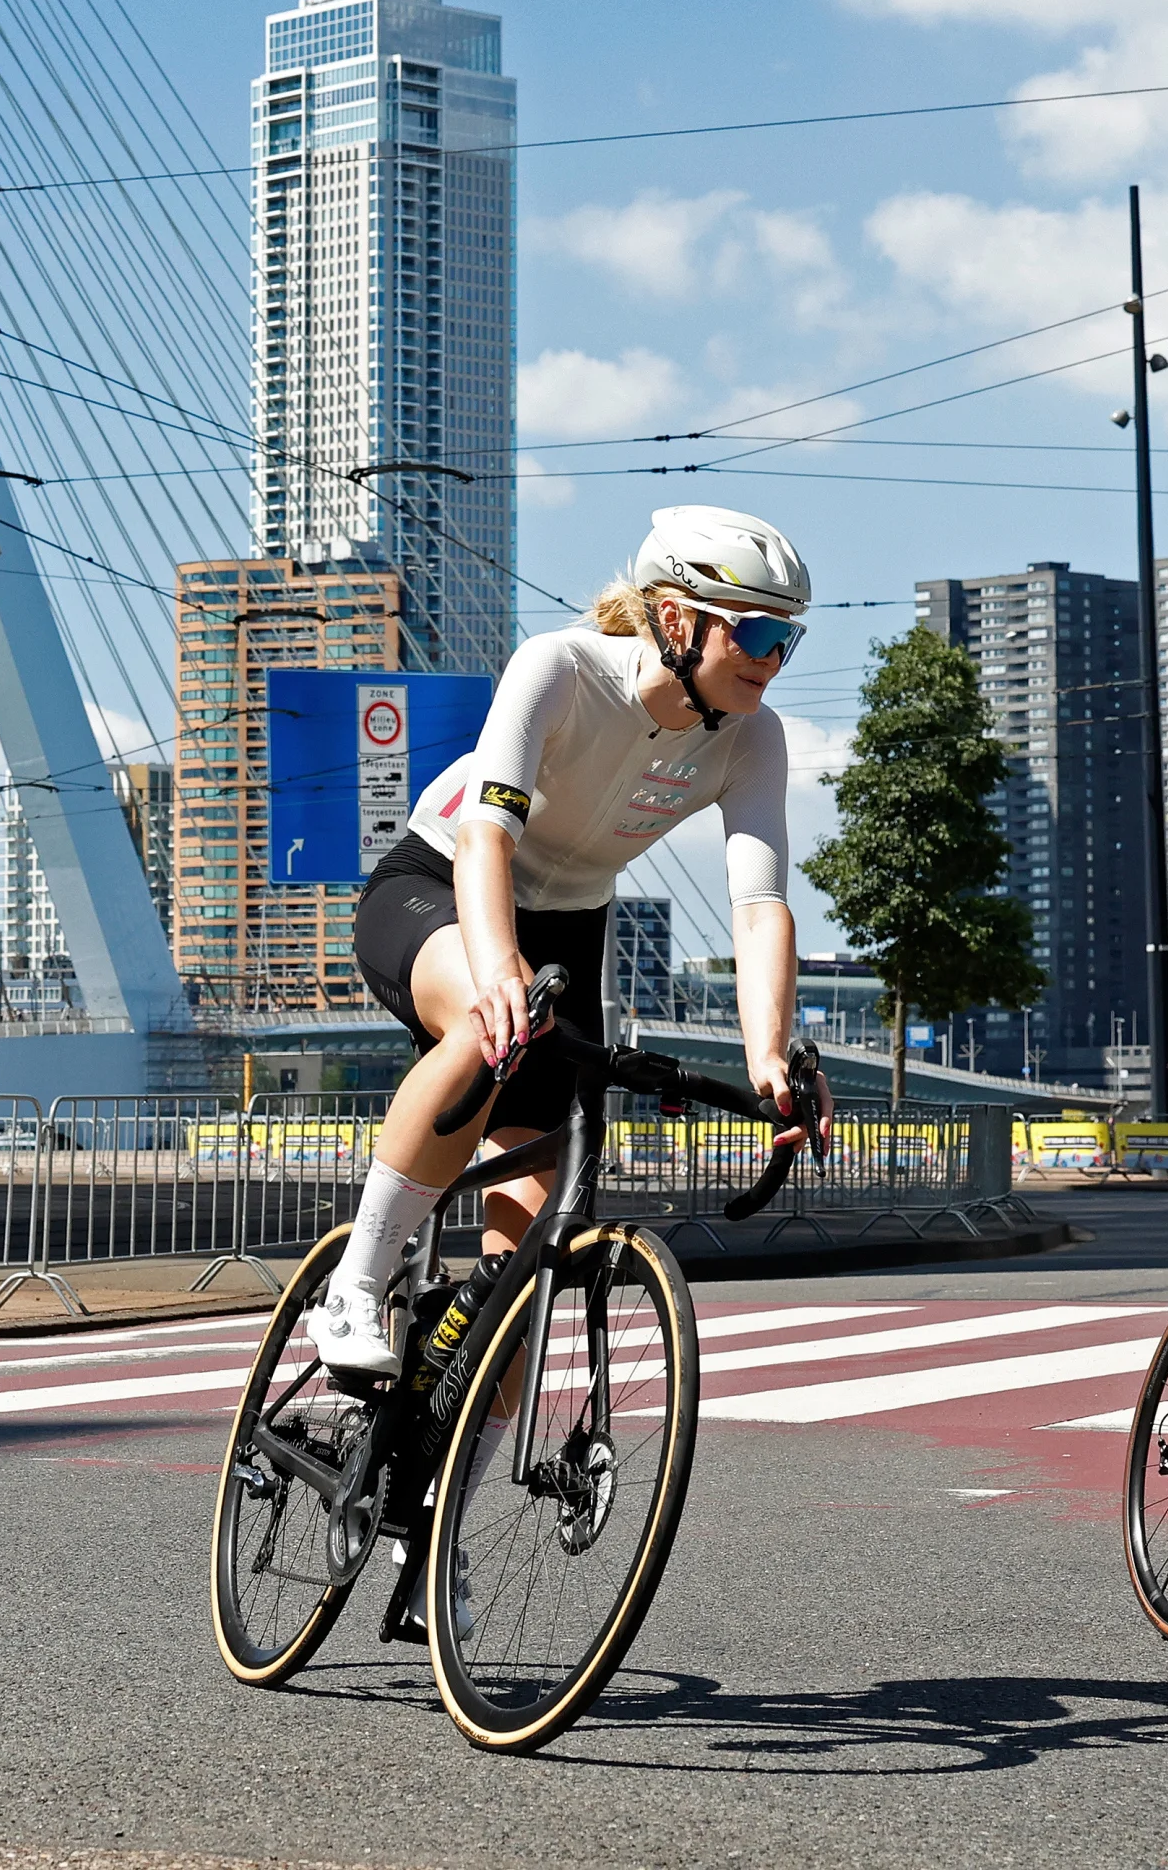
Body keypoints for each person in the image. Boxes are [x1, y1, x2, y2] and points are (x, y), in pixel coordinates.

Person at [307, 506, 830, 1378]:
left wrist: (769, 1055)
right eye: (756, 631)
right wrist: (494, 965)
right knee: (487, 1028)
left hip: (571, 929)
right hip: (440, 883)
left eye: (789, 640)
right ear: (676, 620)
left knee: (518, 1293)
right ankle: (355, 1286)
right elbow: (485, 840)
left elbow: (759, 906)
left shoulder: (752, 738)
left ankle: (432, 1479)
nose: (772, 661)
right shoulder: (559, 668)